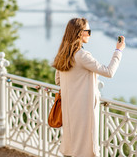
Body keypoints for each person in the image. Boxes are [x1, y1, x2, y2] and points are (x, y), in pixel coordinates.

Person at [53, 17, 125, 157]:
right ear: (80, 33)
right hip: (84, 110)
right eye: (88, 31)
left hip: (69, 108)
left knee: (72, 147)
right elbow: (109, 72)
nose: (90, 35)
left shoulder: (63, 54)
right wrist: (118, 51)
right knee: (86, 149)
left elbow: (58, 80)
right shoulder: (82, 55)